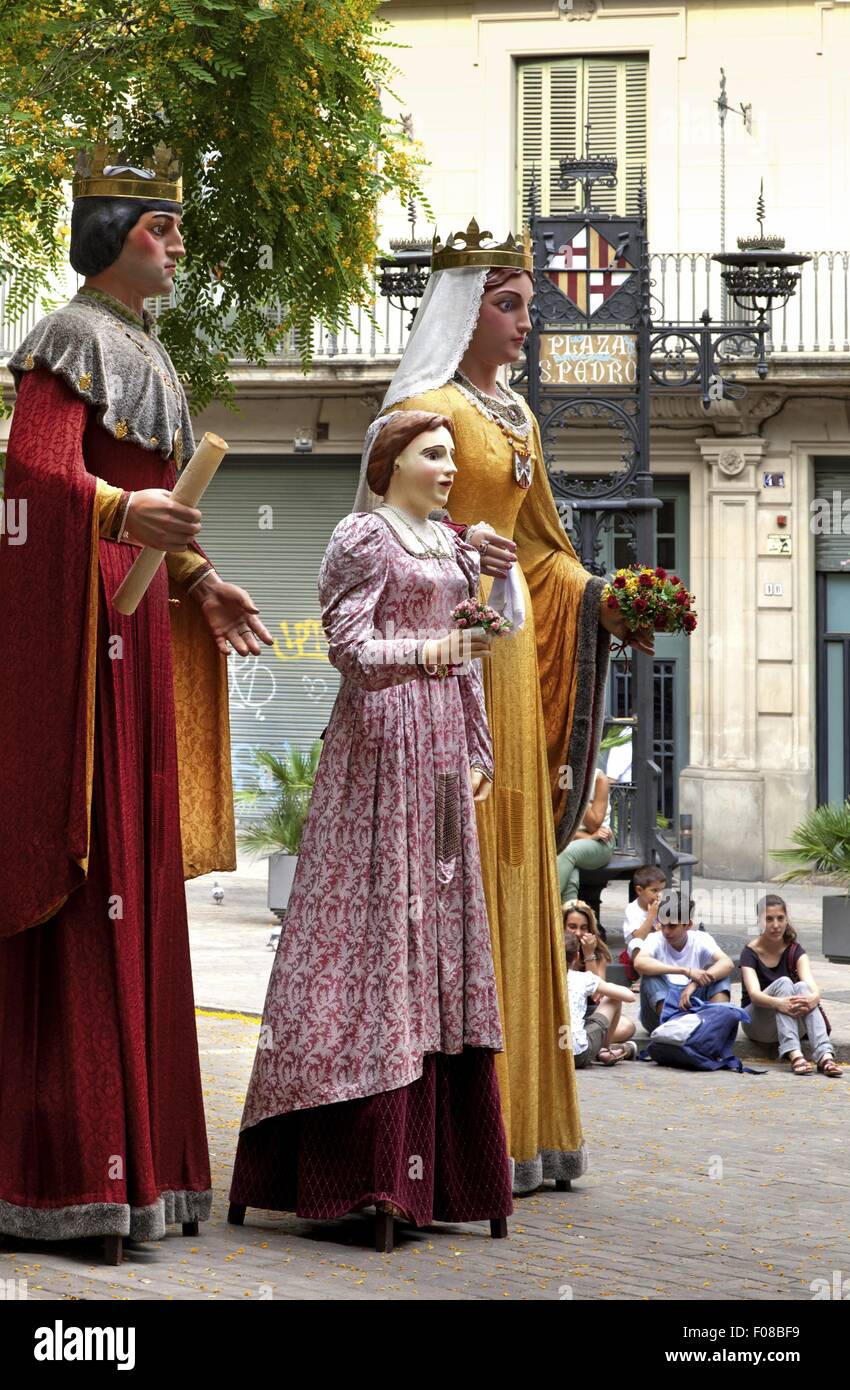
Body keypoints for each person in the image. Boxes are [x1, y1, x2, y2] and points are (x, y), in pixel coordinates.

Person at [0, 144, 272, 1261]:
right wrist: (118, 515)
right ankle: (61, 1170)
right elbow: (37, 475)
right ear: (112, 234)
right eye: (162, 224)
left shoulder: (145, 350)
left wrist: (201, 581)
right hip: (86, 648)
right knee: (89, 869)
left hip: (139, 632)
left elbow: (153, 508)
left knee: (137, 882)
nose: (179, 242)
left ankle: (137, 1171)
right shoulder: (65, 341)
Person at [369, 220, 654, 1194]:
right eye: (508, 303)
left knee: (516, 867)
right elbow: (389, 533)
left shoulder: (520, 420)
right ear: (463, 306)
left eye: (528, 305)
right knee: (457, 863)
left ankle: (521, 1123)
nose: (526, 322)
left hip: (513, 641)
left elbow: (541, 550)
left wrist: (601, 597)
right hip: (452, 650)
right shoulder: (424, 409)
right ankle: (444, 1129)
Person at [228, 410, 513, 1245]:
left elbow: (472, 655)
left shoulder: (454, 546)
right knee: (378, 935)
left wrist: (480, 749)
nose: (449, 467)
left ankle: (444, 1171)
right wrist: (428, 653)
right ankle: (357, 1163)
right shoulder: (365, 536)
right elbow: (347, 649)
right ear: (389, 463)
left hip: (440, 759)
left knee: (441, 943)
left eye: (452, 455)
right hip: (379, 749)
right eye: (433, 454)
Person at [740, 895, 842, 1078]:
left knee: (803, 987)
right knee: (785, 983)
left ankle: (825, 1056)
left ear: (787, 920)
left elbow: (812, 985)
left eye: (780, 918)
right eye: (769, 919)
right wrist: (778, 1003)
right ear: (759, 922)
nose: (776, 925)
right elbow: (754, 995)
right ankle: (794, 1054)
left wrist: (814, 997)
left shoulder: (795, 951)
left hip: (789, 1021)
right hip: (756, 1023)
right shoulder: (750, 952)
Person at [634, 889, 734, 1035]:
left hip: (691, 1005)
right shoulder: (655, 939)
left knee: (720, 976)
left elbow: (727, 963)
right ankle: (675, 1029)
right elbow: (639, 963)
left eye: (672, 926)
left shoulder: (700, 939)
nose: (666, 931)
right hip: (659, 1017)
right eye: (663, 925)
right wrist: (685, 971)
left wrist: (694, 984)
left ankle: (715, 1028)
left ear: (688, 924)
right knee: (650, 977)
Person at [562, 900, 636, 1057]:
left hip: (588, 1011)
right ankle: (608, 1049)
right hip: (565, 1017)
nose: (578, 933)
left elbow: (596, 996)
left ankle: (600, 1045)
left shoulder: (597, 953)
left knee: (627, 1026)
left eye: (583, 928)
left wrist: (589, 955)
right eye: (572, 927)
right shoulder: (560, 952)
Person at [556, 768, 615, 905]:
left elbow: (594, 825)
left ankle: (545, 906)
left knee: (566, 852)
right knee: (571, 875)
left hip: (600, 843)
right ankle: (569, 915)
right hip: (571, 839)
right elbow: (557, 824)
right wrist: (586, 837)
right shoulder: (561, 774)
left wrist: (577, 791)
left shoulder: (599, 779)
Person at [621, 864, 668, 986]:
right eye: (654, 890)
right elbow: (639, 936)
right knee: (636, 944)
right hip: (639, 951)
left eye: (662, 890)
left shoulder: (662, 905)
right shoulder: (632, 909)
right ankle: (644, 978)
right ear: (639, 890)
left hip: (658, 947)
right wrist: (651, 915)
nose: (659, 895)